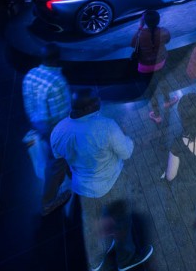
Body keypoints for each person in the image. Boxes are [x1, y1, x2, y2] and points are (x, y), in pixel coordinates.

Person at [51, 89, 151, 271]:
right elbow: (127, 152)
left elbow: (59, 157)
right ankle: (126, 259)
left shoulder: (58, 131)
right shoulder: (107, 126)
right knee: (122, 221)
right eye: (96, 102)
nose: (100, 103)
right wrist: (125, 136)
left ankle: (95, 261)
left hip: (82, 189)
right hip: (112, 184)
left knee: (90, 224)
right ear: (88, 107)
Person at [22, 44, 72, 216]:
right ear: (57, 59)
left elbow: (28, 103)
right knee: (55, 163)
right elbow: (62, 115)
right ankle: (48, 202)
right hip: (53, 128)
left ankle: (69, 170)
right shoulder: (57, 82)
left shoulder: (31, 74)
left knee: (58, 156)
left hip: (37, 123)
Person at [131, 10, 173, 123]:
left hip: (145, 68)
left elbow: (132, 44)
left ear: (144, 22)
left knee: (152, 91)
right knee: (163, 83)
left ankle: (157, 115)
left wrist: (140, 26)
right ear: (158, 20)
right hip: (160, 63)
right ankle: (167, 101)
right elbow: (168, 41)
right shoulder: (164, 32)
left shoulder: (140, 34)